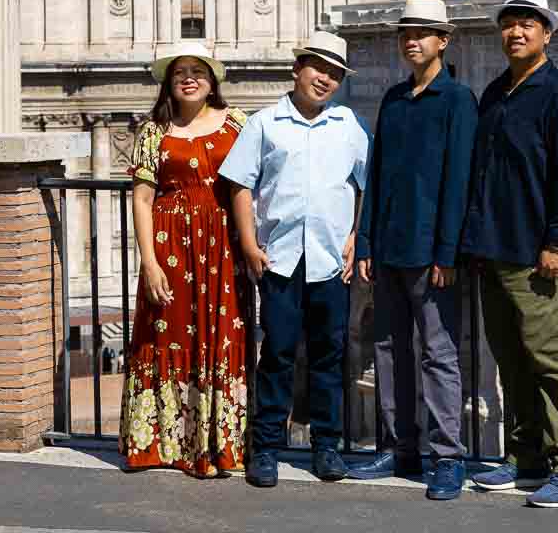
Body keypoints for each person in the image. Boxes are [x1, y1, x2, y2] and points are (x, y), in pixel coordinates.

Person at [460, 0, 558, 509]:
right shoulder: (497, 92)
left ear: (547, 33)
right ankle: (526, 457)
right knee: (512, 357)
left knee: (553, 354)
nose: (516, 31)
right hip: (495, 247)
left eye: (528, 23)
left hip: (540, 252)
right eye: (510, 23)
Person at [219, 30, 370, 489]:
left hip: (329, 260)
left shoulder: (349, 125)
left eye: (334, 73)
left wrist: (355, 236)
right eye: (318, 68)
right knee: (278, 354)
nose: (325, 79)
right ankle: (265, 448)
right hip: (280, 259)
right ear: (297, 68)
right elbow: (240, 185)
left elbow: (364, 184)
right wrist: (248, 243)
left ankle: (327, 447)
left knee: (330, 355)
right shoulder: (264, 123)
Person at [348, 0, 478, 501]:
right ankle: (401, 447)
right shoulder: (394, 100)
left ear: (443, 41)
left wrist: (447, 253)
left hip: (431, 254)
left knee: (439, 354)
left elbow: (458, 182)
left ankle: (447, 457)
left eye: (422, 32)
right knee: (387, 350)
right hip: (390, 249)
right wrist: (367, 242)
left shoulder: (457, 101)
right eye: (407, 33)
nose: (412, 40)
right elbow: (377, 176)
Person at [119, 42, 250, 478]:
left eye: (198, 71)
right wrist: (149, 262)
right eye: (180, 73)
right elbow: (141, 200)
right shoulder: (154, 132)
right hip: (170, 246)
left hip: (222, 246)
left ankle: (216, 446)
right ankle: (167, 444)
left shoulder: (238, 124)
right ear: (169, 84)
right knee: (166, 337)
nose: (189, 78)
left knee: (221, 336)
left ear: (212, 81)